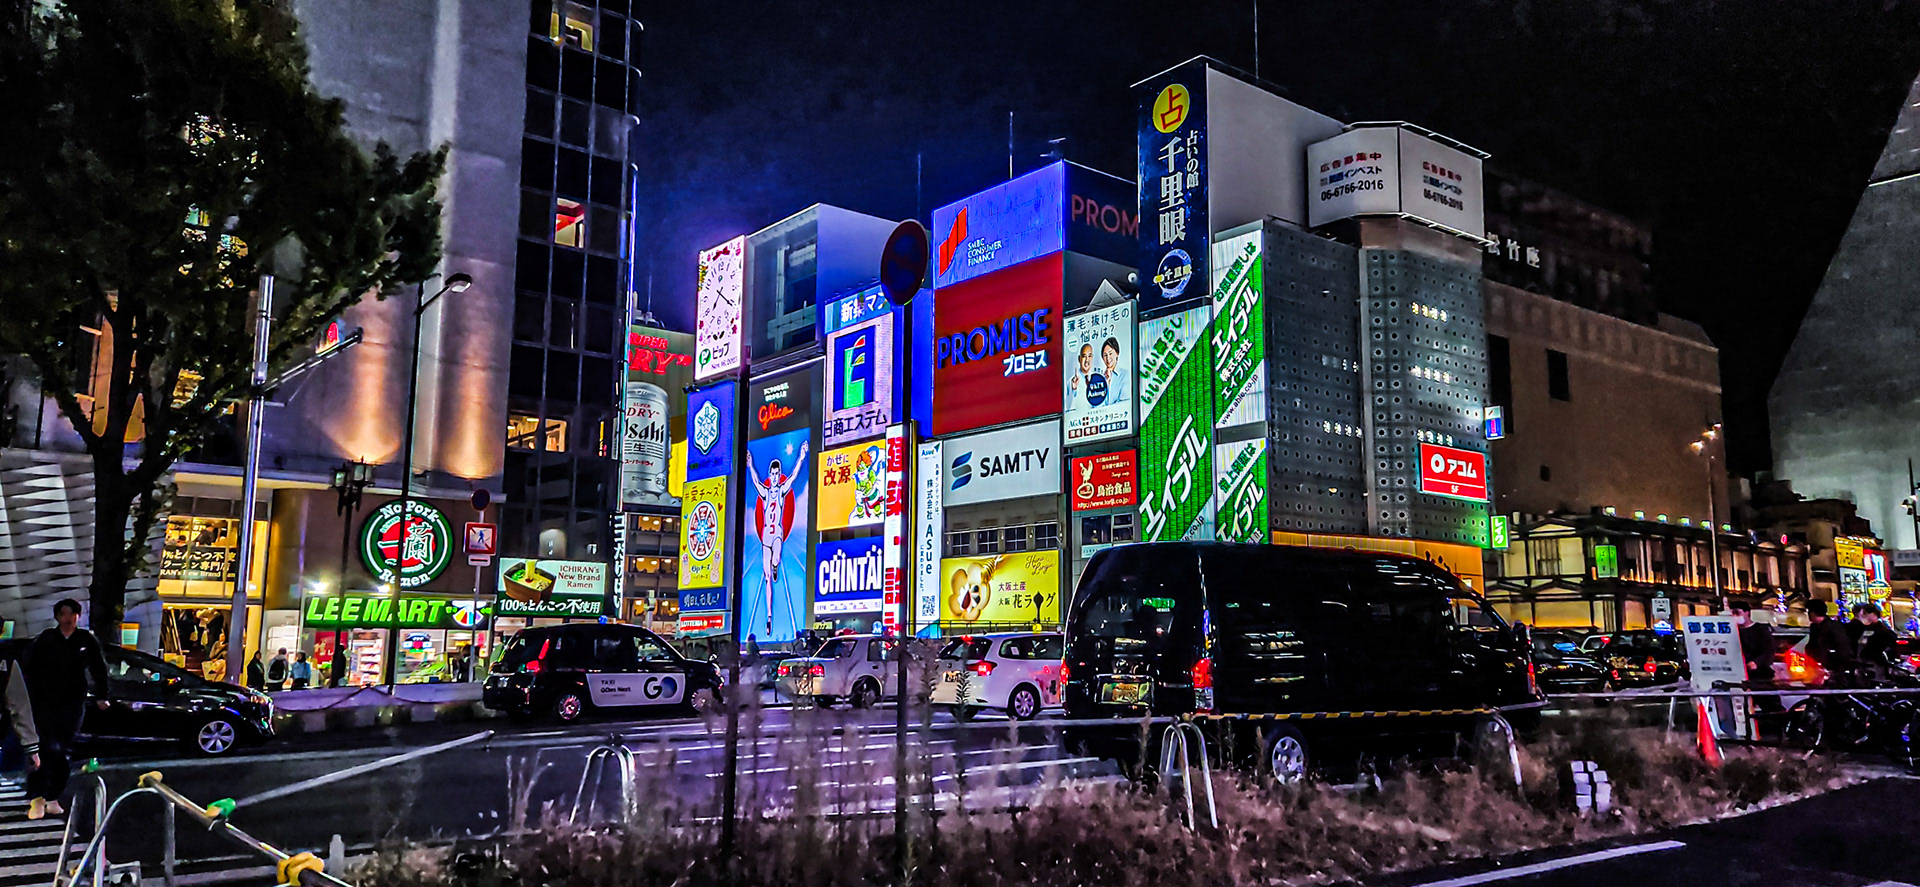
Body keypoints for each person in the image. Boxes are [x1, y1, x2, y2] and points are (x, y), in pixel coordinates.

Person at [25, 599, 108, 821]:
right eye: (64, 614)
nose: (68, 619)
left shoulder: (86, 639)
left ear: (78, 616)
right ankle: (37, 797)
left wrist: (102, 695)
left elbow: (99, 668)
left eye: (72, 614)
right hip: (45, 702)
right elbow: (30, 668)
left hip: (73, 702)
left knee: (64, 750)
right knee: (45, 748)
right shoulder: (47, 639)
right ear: (57, 617)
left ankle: (53, 796)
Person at [748, 444, 807, 632]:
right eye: (772, 474)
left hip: (777, 534)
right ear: (769, 475)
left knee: (776, 559)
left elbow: (793, 477)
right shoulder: (765, 493)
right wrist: (750, 465)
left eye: (776, 474)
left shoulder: (781, 491)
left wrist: (801, 457)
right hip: (766, 536)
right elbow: (756, 482)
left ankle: (775, 566)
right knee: (767, 578)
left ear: (779, 474)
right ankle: (769, 617)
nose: (774, 477)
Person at [0, 645, 40, 794]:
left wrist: (31, 747)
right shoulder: (6, 663)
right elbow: (19, 706)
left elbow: (20, 705)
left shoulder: (6, 663)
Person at [1805, 600, 1856, 684]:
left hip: (1834, 668)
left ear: (1812, 613)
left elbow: (1843, 648)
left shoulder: (1833, 627)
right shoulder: (1815, 628)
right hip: (1819, 666)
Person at [1847, 603, 1897, 679]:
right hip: (1862, 664)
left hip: (1873, 665)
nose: (1863, 616)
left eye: (1865, 613)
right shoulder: (1859, 628)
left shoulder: (1881, 631)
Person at [1730, 603, 1774, 681]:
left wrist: (1756, 663)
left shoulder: (1761, 630)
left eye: (1737, 613)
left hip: (1760, 674)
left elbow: (1769, 650)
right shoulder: (1734, 631)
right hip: (1739, 673)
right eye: (1732, 614)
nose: (1735, 616)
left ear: (1747, 612)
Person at [1099, 337, 1129, 404]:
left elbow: (1124, 402)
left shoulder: (1125, 375)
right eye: (1105, 355)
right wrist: (1107, 381)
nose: (1108, 358)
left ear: (1117, 353)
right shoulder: (1101, 379)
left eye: (1110, 353)